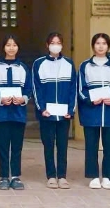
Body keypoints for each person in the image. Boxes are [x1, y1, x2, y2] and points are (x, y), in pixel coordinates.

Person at [77, 33, 110, 190]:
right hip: (91, 113)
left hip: (109, 113)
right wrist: (90, 100)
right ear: (93, 46)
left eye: (104, 43)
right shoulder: (85, 66)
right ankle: (93, 176)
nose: (101, 46)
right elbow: (81, 89)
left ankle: (108, 177)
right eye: (98, 43)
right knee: (91, 146)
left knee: (109, 147)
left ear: (108, 46)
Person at [32, 32, 77, 189]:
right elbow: (36, 88)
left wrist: (71, 110)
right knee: (48, 145)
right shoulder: (39, 64)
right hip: (47, 114)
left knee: (63, 146)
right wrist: (41, 108)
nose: (55, 45)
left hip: (64, 115)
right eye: (52, 43)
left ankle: (62, 176)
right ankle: (51, 175)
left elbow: (73, 89)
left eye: (58, 43)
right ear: (47, 45)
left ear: (62, 45)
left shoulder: (69, 64)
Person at [0, 34, 31, 191]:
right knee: (3, 146)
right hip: (2, 114)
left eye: (14, 45)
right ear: (3, 47)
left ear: (18, 47)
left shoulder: (23, 68)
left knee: (17, 146)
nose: (11, 48)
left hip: (18, 113)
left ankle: (15, 176)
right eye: (8, 45)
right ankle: (3, 177)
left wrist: (23, 99)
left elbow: (28, 88)